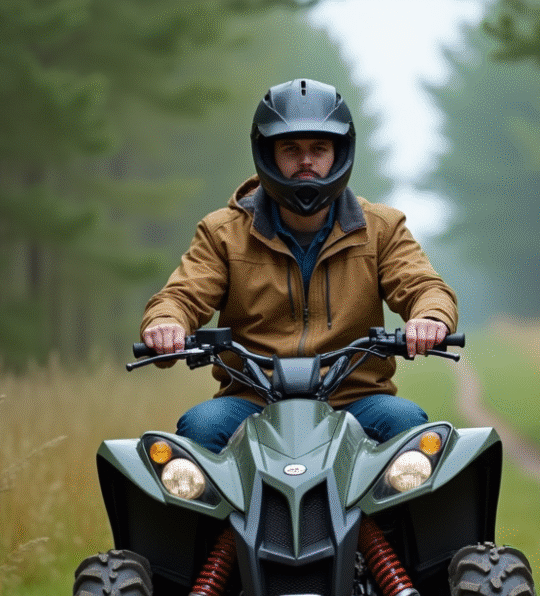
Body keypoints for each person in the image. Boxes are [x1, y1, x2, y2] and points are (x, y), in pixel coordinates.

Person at [141, 77, 458, 454]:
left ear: (339, 153)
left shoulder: (381, 228)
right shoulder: (223, 232)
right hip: (252, 401)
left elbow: (424, 287)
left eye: (319, 148)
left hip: (355, 397)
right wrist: (166, 324)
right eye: (291, 148)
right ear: (267, 153)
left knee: (408, 428)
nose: (306, 160)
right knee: (200, 430)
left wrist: (430, 319)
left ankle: (387, 518)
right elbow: (182, 294)